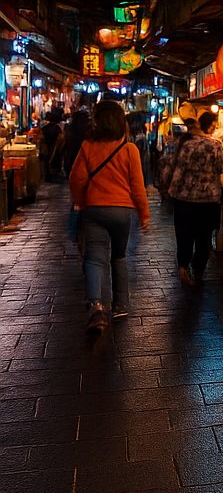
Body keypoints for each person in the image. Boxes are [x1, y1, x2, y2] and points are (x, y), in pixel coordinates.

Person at [69, 100, 150, 334]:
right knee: (119, 257)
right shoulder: (129, 149)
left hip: (94, 209)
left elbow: (76, 179)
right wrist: (144, 215)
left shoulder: (88, 146)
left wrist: (82, 202)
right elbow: (138, 187)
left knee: (94, 259)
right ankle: (121, 305)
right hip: (122, 212)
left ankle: (96, 305)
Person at [162, 110, 223, 286]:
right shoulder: (214, 146)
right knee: (204, 238)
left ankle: (183, 267)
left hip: (184, 199)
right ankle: (198, 271)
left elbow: (170, 169)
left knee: (184, 235)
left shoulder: (183, 144)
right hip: (208, 201)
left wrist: (168, 190)